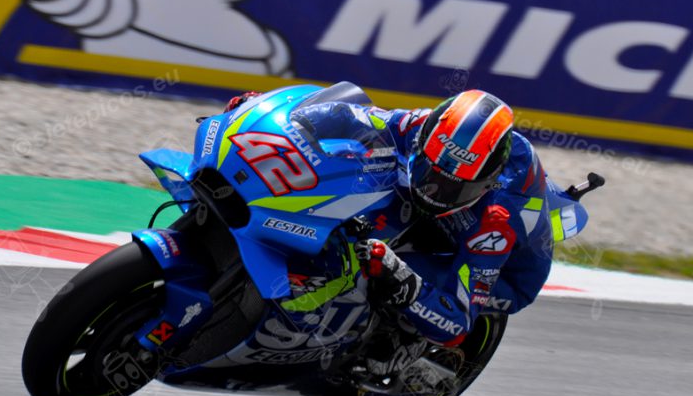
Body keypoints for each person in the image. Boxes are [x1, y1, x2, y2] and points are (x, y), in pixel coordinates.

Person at [224, 89, 553, 373]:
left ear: (486, 182)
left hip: (501, 272)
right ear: (427, 139)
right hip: (430, 220)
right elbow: (347, 116)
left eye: (452, 188)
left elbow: (459, 323)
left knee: (378, 273)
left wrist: (402, 278)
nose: (433, 191)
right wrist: (265, 112)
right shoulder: (421, 125)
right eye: (429, 172)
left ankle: (404, 343)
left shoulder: (496, 221)